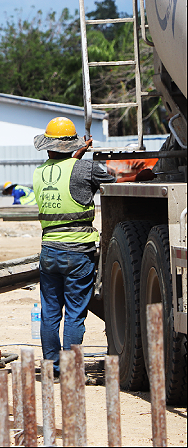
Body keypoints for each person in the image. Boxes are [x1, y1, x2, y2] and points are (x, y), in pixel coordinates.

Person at [32, 117, 155, 377]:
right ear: (72, 146)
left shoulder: (40, 172)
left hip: (49, 250)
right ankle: (71, 370)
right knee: (75, 313)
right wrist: (142, 175)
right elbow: (116, 181)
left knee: (50, 313)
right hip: (78, 252)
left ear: (48, 147)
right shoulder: (86, 169)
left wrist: (77, 153)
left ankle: (52, 368)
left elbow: (64, 170)